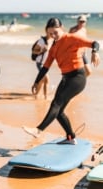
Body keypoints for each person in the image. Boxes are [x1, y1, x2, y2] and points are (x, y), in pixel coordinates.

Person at [22, 17, 100, 145]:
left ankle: (38, 130)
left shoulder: (72, 38)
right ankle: (71, 137)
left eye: (55, 32)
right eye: (50, 33)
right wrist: (36, 82)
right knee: (58, 112)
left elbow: (94, 43)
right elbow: (45, 67)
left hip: (77, 78)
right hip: (66, 78)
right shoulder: (54, 47)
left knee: (55, 104)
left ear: (62, 28)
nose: (53, 35)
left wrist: (95, 52)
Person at [31, 27, 54, 99]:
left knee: (42, 79)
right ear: (46, 30)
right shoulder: (42, 41)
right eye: (50, 31)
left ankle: (39, 95)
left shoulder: (53, 40)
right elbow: (33, 51)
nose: (52, 33)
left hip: (46, 64)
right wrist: (41, 51)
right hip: (40, 63)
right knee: (46, 78)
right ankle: (45, 97)